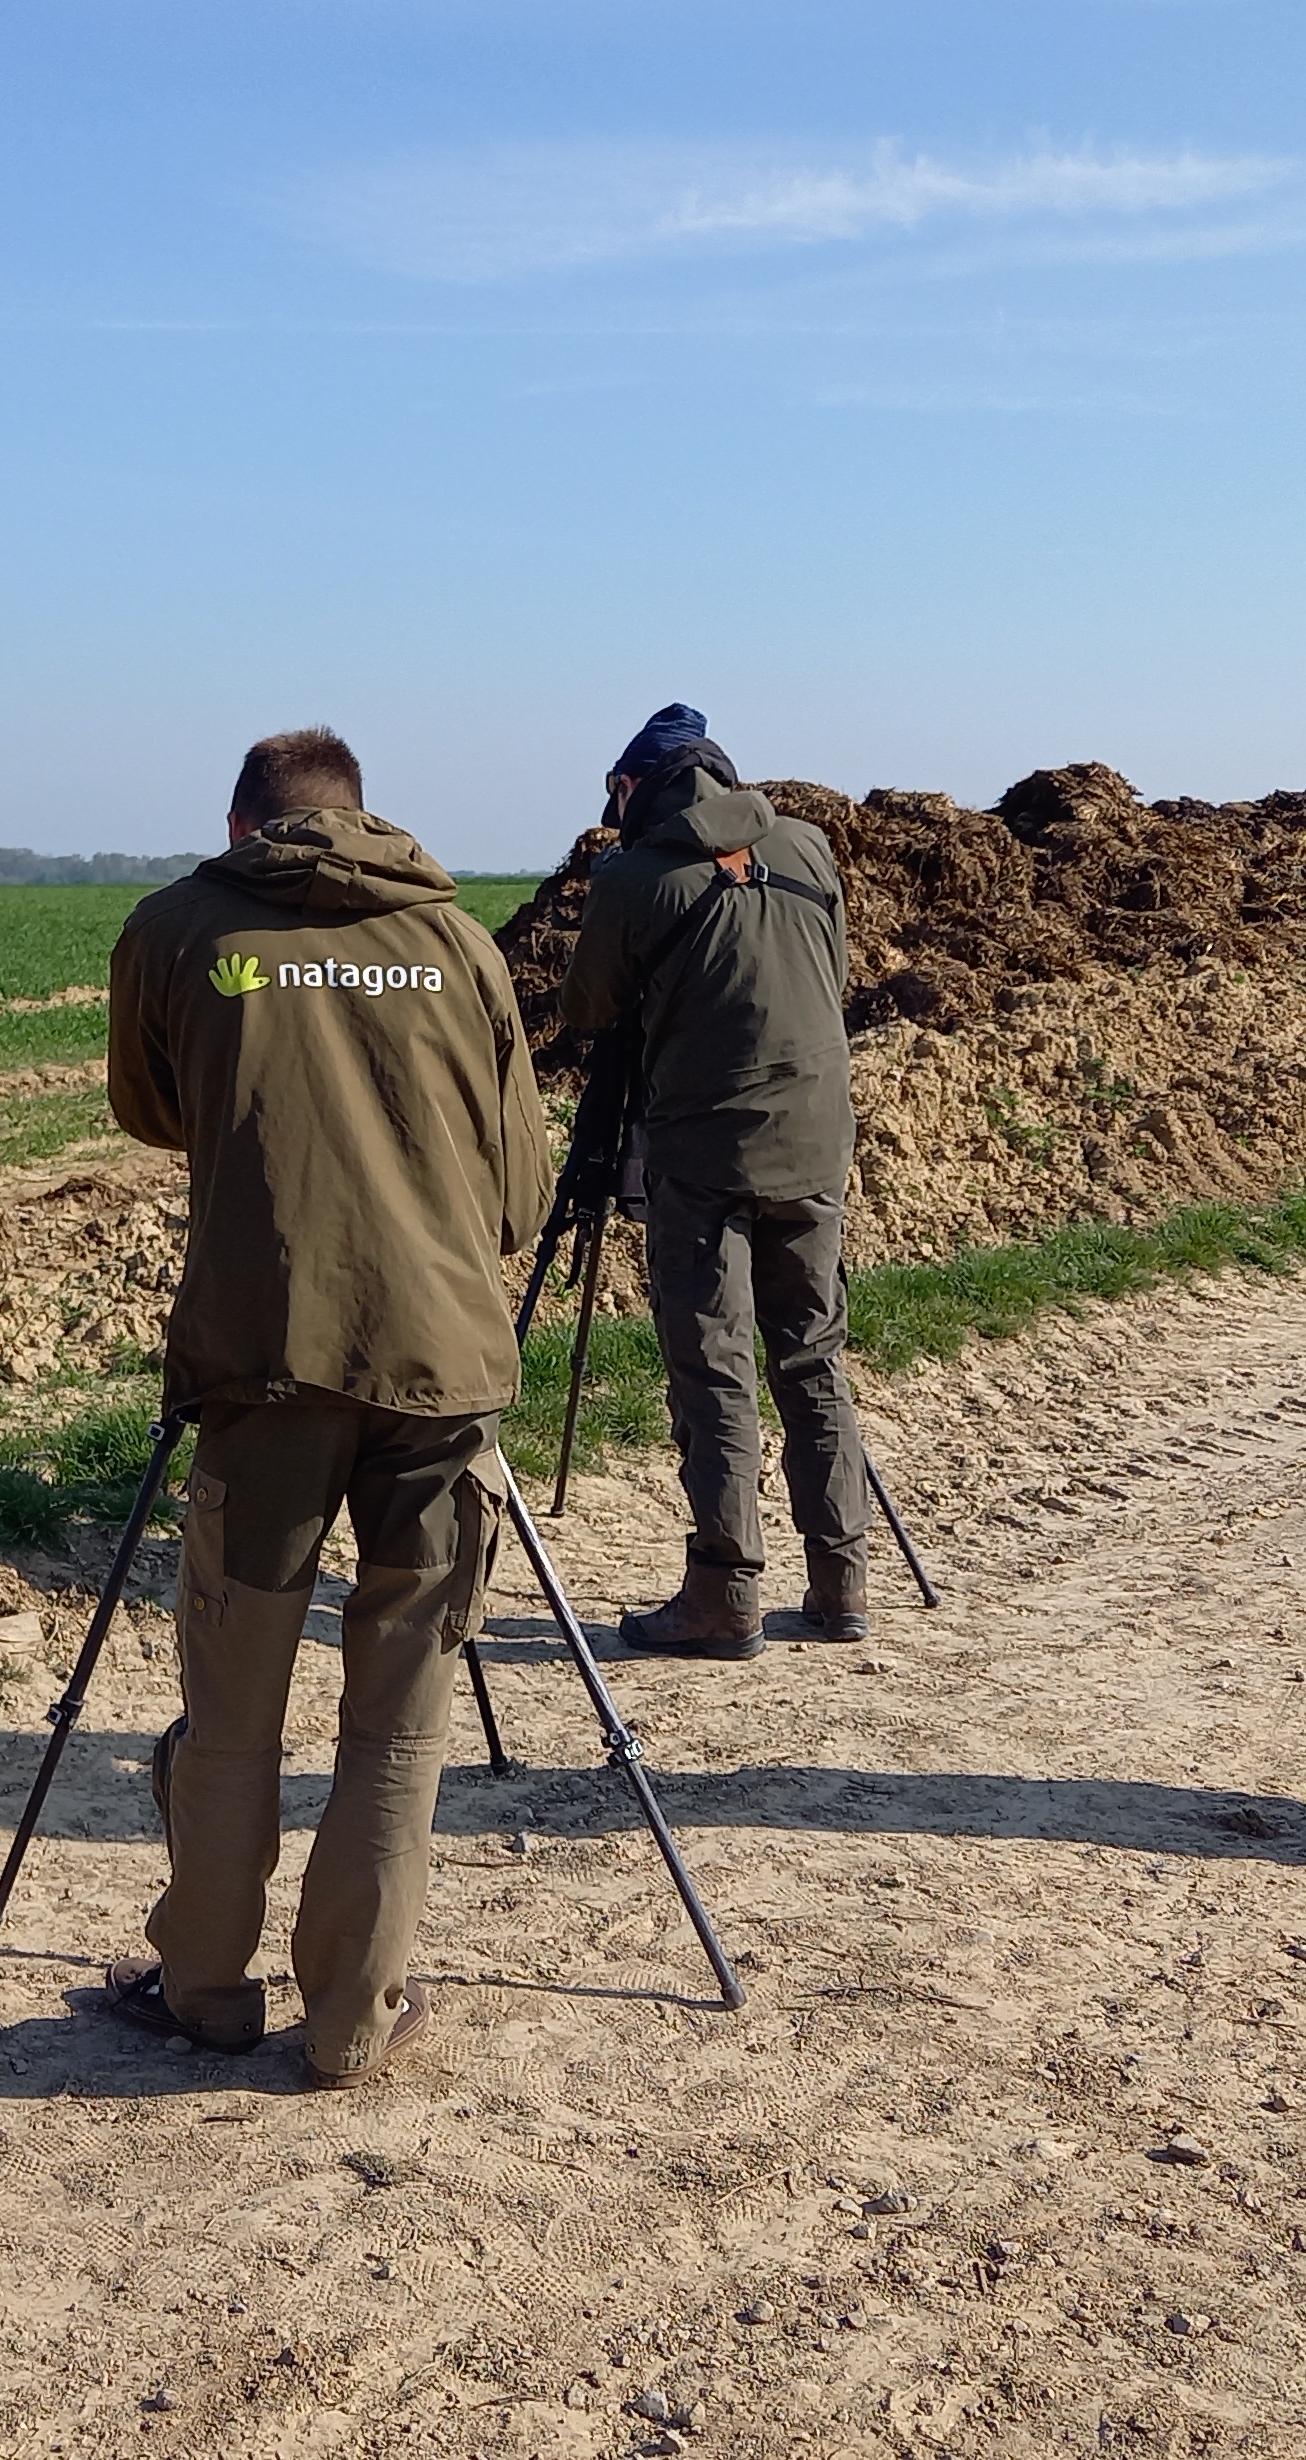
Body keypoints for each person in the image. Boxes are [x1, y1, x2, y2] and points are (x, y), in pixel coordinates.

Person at [98, 726, 551, 2085]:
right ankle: (354, 2018)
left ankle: (203, 1990)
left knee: (234, 1697)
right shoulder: (460, 943)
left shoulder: (178, 929)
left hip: (262, 1361)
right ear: (364, 813)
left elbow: (146, 1108)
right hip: (443, 1374)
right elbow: (521, 1190)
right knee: (402, 1712)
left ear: (243, 826)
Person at [557, 706, 868, 1660]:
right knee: (812, 1356)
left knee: (715, 1370)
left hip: (704, 1155)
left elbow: (585, 1011)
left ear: (632, 789)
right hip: (818, 1145)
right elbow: (836, 972)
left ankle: (724, 1596)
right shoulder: (809, 848)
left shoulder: (634, 879)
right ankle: (841, 1583)